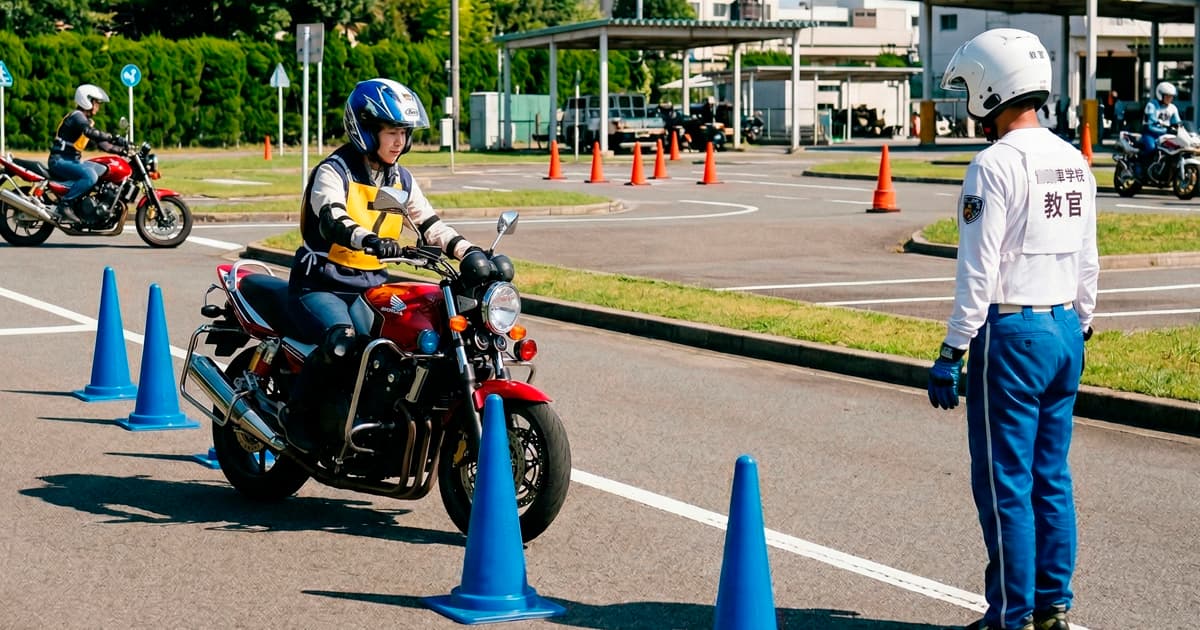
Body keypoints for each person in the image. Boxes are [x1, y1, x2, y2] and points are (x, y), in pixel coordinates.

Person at [929, 28, 1099, 630]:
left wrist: (953, 348)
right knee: (1051, 476)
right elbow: (1088, 259)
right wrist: (1082, 322)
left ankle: (1011, 616)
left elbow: (978, 270)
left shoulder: (993, 166)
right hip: (1064, 332)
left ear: (989, 89)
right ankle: (1053, 606)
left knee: (1005, 483)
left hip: (1012, 335)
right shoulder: (1073, 161)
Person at [282, 77, 484, 452]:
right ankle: (299, 419)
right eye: (391, 131)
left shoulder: (401, 179)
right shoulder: (334, 171)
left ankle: (377, 425)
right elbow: (332, 218)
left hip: (370, 286)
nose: (399, 142)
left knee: (400, 348)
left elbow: (430, 223)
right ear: (365, 128)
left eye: (404, 132)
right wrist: (368, 239)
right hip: (321, 285)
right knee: (342, 342)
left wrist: (470, 252)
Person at [47, 84, 130, 224]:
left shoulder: (86, 122)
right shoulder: (77, 117)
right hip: (60, 160)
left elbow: (103, 145)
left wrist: (123, 150)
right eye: (96, 102)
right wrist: (113, 137)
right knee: (90, 175)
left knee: (96, 171)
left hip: (71, 161)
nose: (98, 106)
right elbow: (90, 132)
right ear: (87, 100)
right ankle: (65, 205)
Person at [1138, 81, 1181, 174]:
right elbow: (1150, 123)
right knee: (1151, 148)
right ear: (1160, 95)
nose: (1170, 99)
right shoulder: (1152, 105)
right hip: (1150, 134)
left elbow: (1177, 122)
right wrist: (1165, 129)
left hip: (1165, 135)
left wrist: (1182, 129)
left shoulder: (1173, 108)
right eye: (1168, 96)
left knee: (1175, 149)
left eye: (1171, 96)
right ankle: (1142, 169)